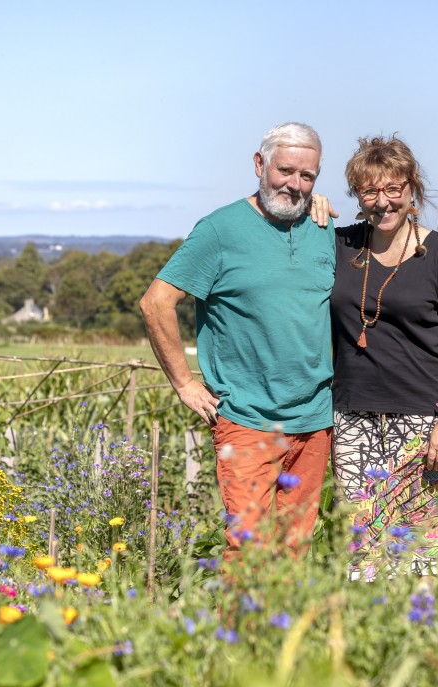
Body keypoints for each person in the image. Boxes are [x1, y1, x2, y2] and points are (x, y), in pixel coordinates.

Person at [139, 123, 335, 559]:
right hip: (247, 419)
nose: (295, 184)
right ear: (259, 163)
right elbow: (156, 302)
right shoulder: (220, 230)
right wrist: (185, 384)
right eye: (285, 170)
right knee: (248, 550)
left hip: (314, 419)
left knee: (295, 550)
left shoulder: (324, 227)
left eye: (307, 176)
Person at [312, 135, 438, 571]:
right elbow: (284, 230)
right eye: (370, 190)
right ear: (358, 197)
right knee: (367, 554)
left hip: (427, 423)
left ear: (412, 191)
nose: (383, 201)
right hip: (354, 423)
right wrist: (310, 205)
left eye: (394, 188)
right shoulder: (340, 244)